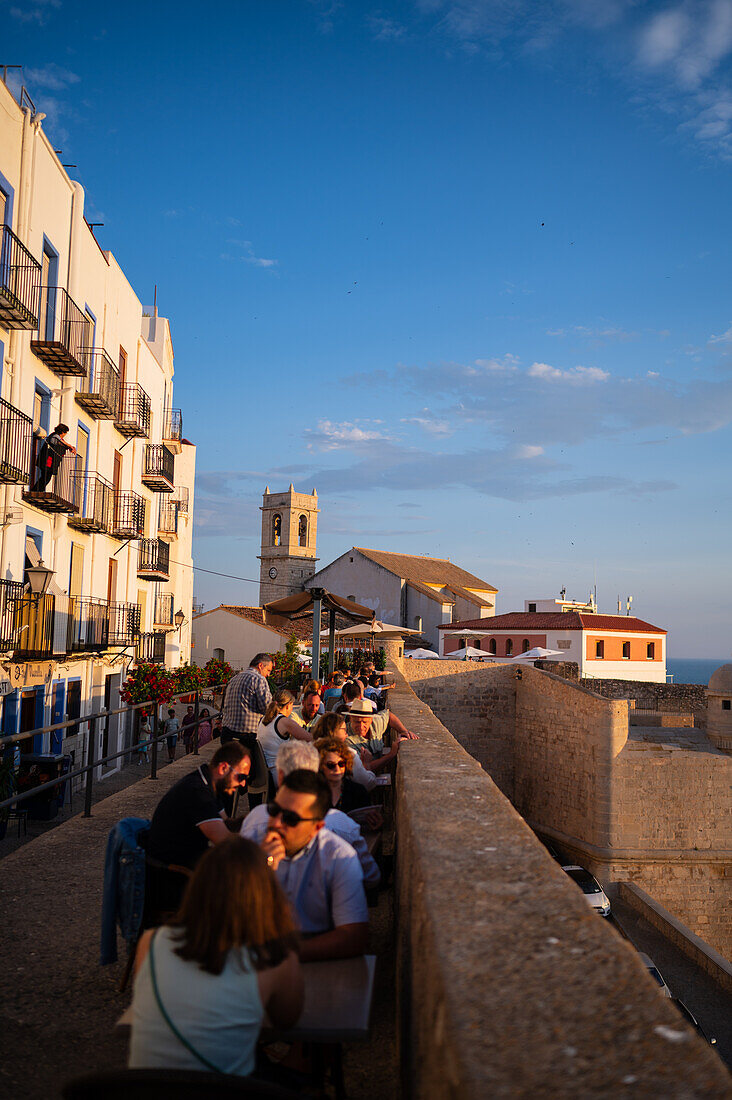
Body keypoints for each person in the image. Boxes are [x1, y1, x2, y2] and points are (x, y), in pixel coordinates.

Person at [128, 837, 303, 1075]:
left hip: (146, 1088)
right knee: (303, 1061)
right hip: (226, 1089)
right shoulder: (274, 956)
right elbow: (287, 1020)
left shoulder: (151, 942)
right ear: (265, 893)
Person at [241, 769, 369, 960]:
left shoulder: (338, 857)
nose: (276, 823)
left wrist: (284, 954)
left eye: (290, 819)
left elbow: (353, 937)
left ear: (316, 827)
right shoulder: (253, 842)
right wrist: (262, 871)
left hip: (316, 960)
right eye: (274, 810)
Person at [244, 740, 380, 889]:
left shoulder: (254, 819)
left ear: (280, 775)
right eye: (330, 765)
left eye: (341, 764)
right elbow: (371, 876)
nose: (337, 769)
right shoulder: (343, 827)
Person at [146, 742, 252, 913]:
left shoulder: (207, 782)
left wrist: (256, 818)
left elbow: (227, 824)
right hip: (170, 875)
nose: (242, 785)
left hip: (186, 860)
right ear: (224, 768)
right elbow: (226, 841)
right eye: (241, 777)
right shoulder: (198, 793)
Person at [344, 698, 418, 774]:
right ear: (350, 719)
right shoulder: (346, 739)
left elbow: (388, 715)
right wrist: (391, 754)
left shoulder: (375, 724)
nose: (361, 726)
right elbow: (364, 769)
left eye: (365, 722)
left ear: (371, 720)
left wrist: (403, 731)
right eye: (357, 722)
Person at [257, 689, 313, 786]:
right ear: (288, 705)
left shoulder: (264, 719)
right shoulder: (284, 722)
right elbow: (310, 738)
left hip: (264, 772)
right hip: (279, 773)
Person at [220, 654, 274, 752]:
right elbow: (267, 708)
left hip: (227, 734)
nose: (268, 675)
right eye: (268, 670)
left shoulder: (234, 678)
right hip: (246, 736)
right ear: (261, 665)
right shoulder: (259, 679)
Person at [312, 711, 378, 791]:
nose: (346, 734)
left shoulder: (309, 750)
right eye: (344, 730)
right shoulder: (348, 754)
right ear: (334, 730)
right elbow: (367, 783)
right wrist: (367, 765)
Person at [32, 422, 76, 491]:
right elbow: (59, 441)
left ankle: (38, 490)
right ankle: (35, 490)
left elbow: (61, 444)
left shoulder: (56, 438)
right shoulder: (54, 436)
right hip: (47, 461)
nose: (65, 435)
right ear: (62, 432)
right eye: (65, 433)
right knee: (45, 478)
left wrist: (69, 447)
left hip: (49, 463)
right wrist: (69, 445)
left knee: (46, 478)